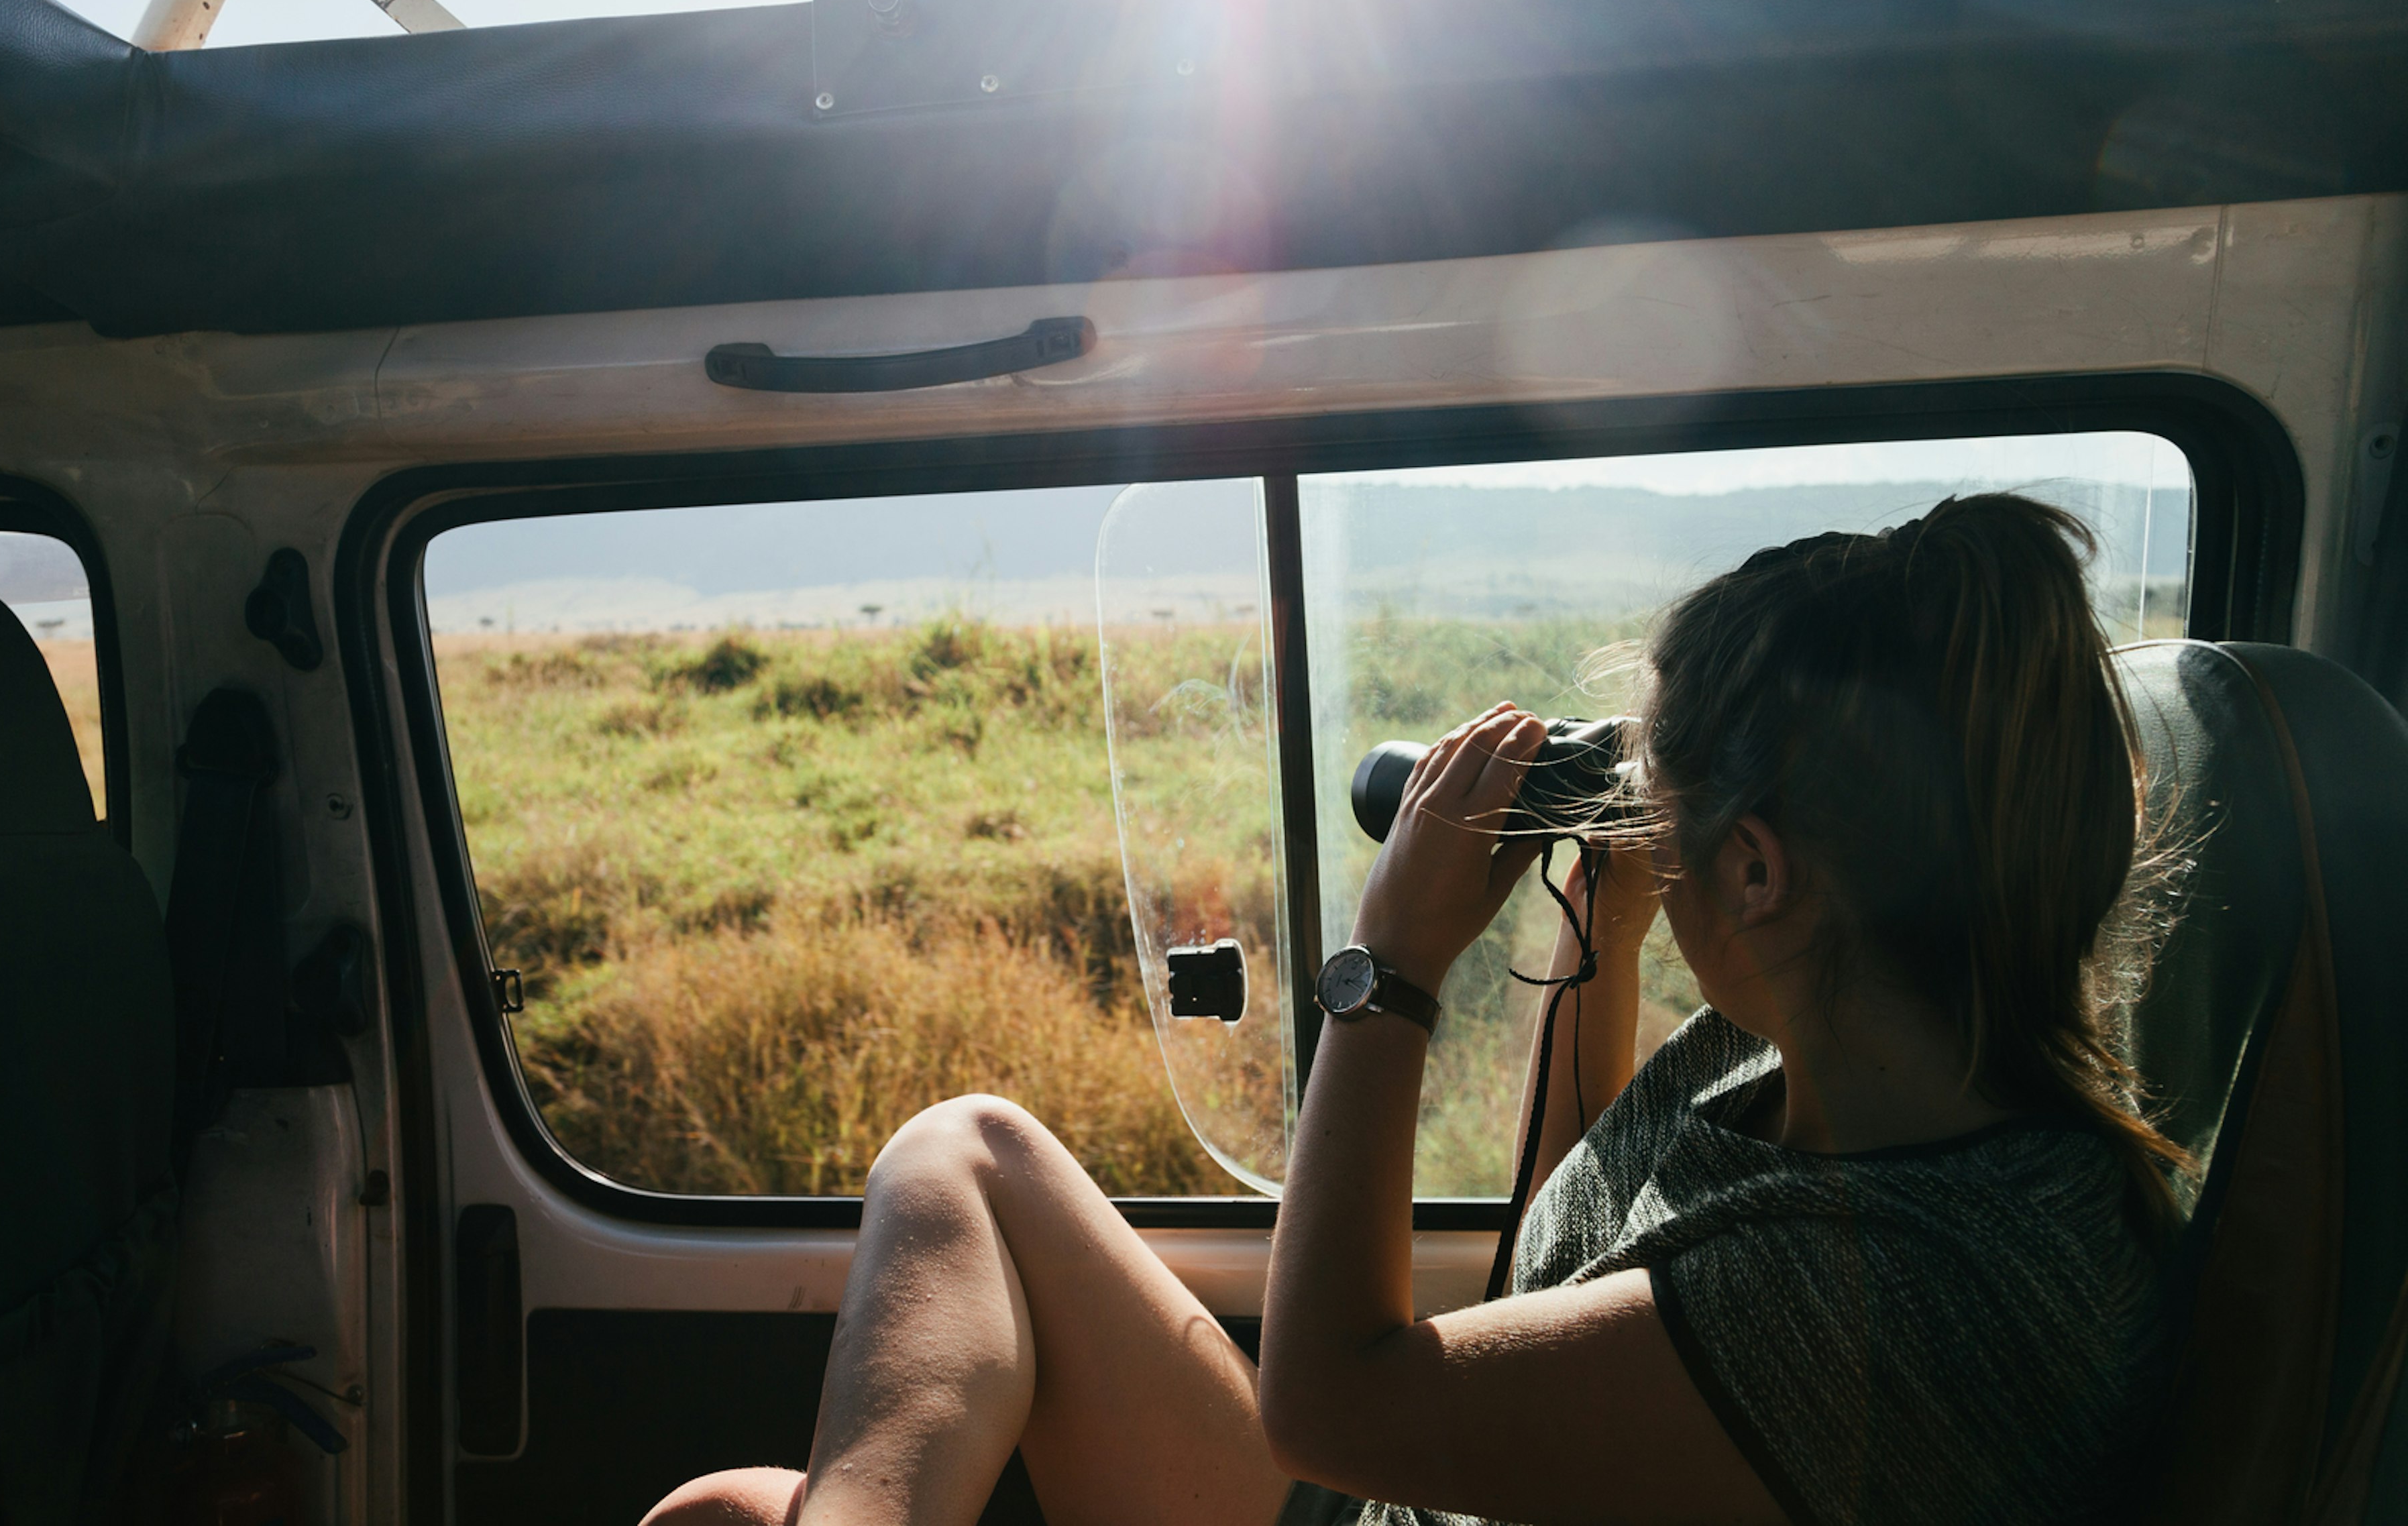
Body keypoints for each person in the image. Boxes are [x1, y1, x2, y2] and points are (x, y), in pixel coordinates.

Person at [644, 493, 2179, 1526]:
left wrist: (1390, 968)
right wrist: (1610, 921)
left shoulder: (1902, 1304)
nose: (1655, 829)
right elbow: (1576, 1278)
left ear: (1765, 868)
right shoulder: (1831, 1049)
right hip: (1411, 1491)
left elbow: (1329, 1405)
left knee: (725, 1513)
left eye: (1676, 809)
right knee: (960, 1150)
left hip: (1371, 1459)